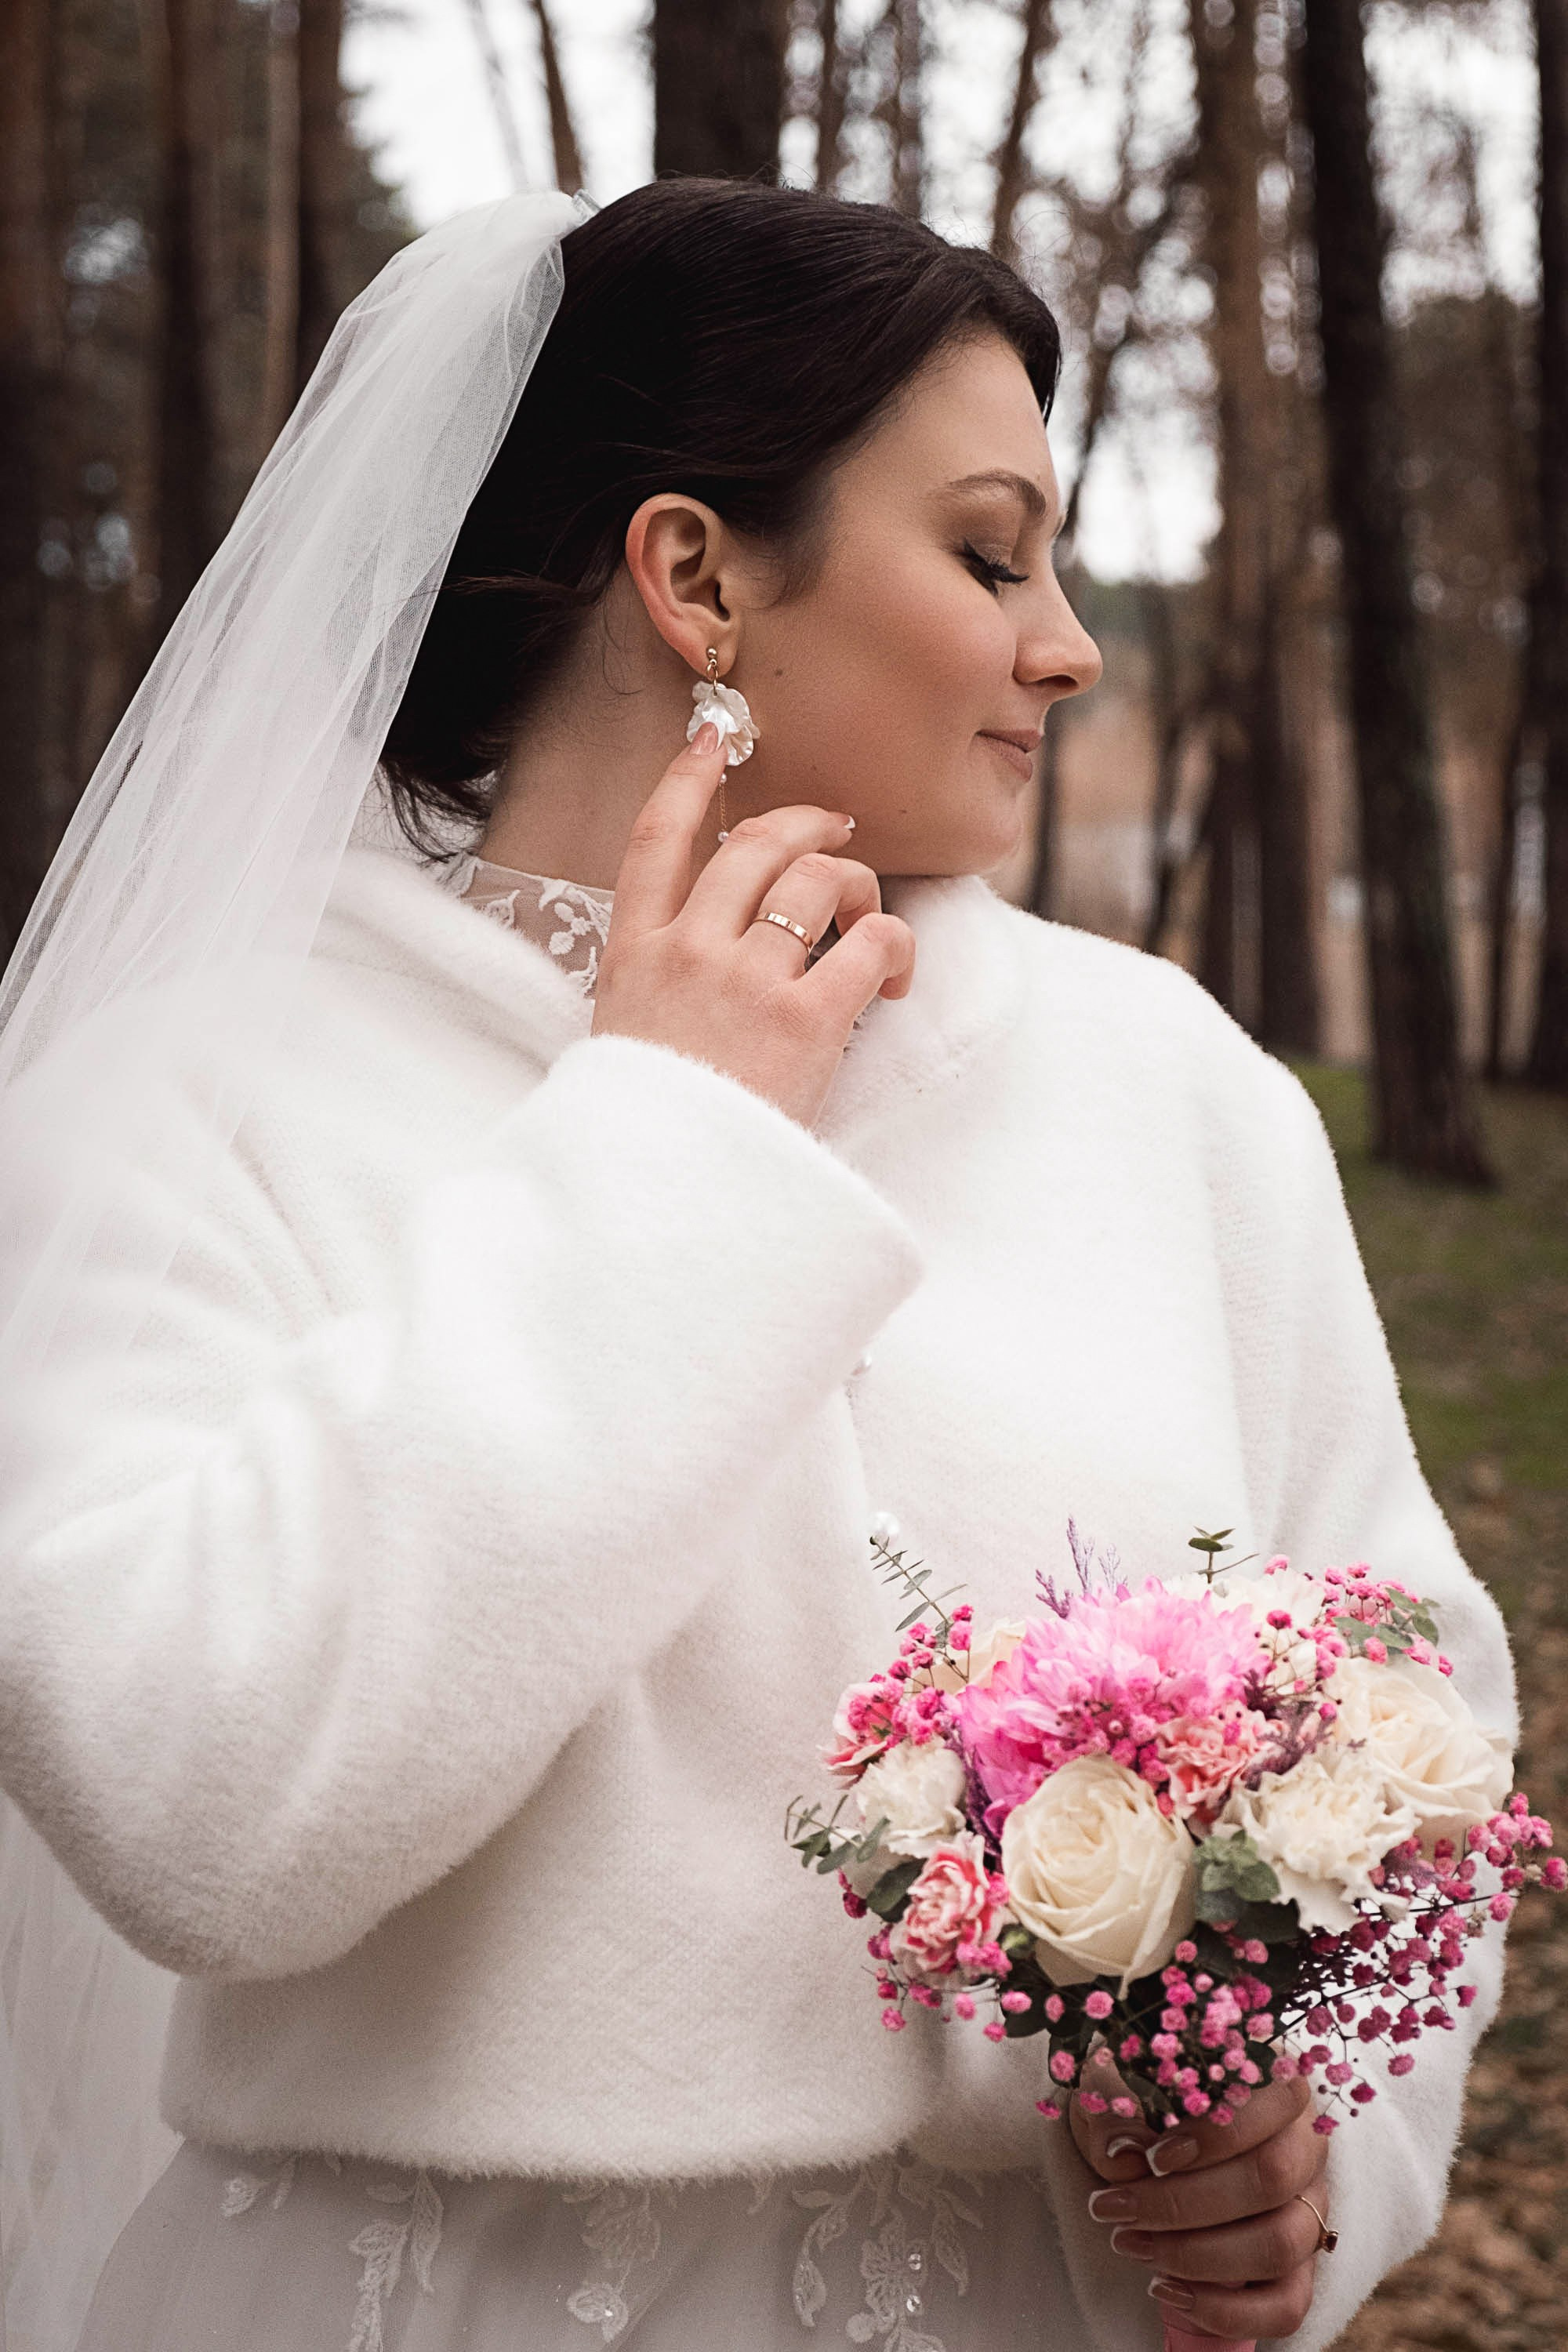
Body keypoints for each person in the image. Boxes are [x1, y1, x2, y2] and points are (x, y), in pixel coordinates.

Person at [0, 179, 1515, 2352]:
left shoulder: (1168, 1086)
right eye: (991, 551)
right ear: (697, 574)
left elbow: (1417, 1712)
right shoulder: (186, 1094)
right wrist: (671, 1135)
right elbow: (191, 1809)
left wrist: (1304, 2149)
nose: (1068, 642)